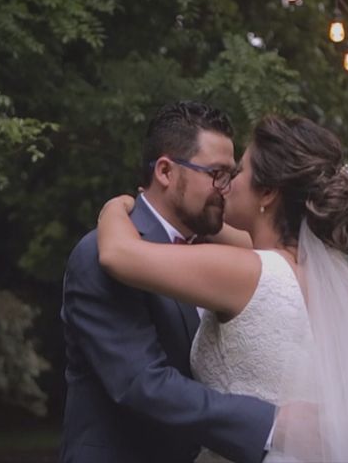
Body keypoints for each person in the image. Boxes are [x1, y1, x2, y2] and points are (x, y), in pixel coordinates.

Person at [97, 115, 348, 462]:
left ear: (269, 192)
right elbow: (240, 236)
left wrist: (116, 207)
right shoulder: (339, 282)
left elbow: (117, 254)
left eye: (238, 172)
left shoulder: (247, 271)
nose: (226, 184)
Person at [59, 101, 276, 463]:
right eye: (216, 173)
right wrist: (270, 425)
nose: (225, 188)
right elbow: (142, 384)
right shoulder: (100, 253)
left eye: (231, 175)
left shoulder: (210, 250)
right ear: (165, 171)